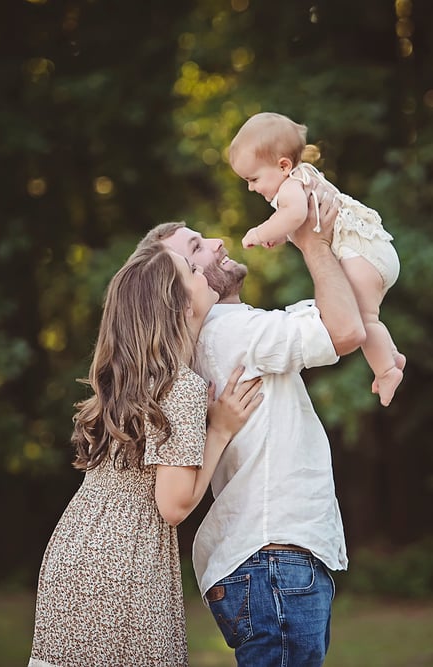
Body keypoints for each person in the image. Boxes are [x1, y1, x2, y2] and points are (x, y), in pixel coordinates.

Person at [139, 188, 366, 666]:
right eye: (196, 249)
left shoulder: (227, 334)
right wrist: (312, 242)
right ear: (183, 285)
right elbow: (344, 330)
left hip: (265, 563)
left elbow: (330, 316)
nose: (218, 242)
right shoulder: (231, 332)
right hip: (274, 560)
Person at [28, 243, 264, 667]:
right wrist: (221, 431)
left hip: (75, 554)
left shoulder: (133, 379)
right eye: (192, 269)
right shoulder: (180, 387)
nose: (203, 271)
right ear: (178, 306)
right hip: (124, 562)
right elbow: (173, 505)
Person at [230, 111, 405, 406]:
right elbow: (302, 222)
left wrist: (260, 233)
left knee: (364, 320)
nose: (251, 187)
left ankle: (386, 371)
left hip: (361, 256)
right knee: (371, 318)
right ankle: (391, 355)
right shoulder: (304, 175)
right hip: (375, 251)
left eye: (254, 178)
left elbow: (296, 214)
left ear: (283, 165)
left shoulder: (289, 189)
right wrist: (281, 234)